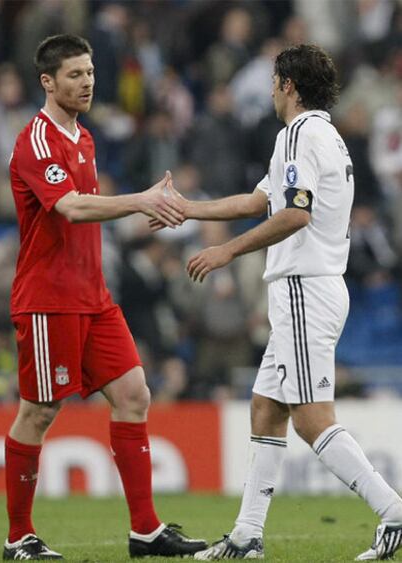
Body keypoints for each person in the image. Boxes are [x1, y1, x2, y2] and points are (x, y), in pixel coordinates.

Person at [160, 44, 402, 561]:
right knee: (266, 408)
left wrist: (226, 249)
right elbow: (260, 200)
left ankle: (394, 511)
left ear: (288, 85)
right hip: (312, 286)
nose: (270, 90)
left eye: (274, 81)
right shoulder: (325, 135)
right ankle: (247, 535)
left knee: (311, 419)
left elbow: (294, 214)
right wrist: (190, 211)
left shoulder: (296, 134)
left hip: (303, 286)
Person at [3, 34, 207, 561]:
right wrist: (141, 199)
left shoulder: (84, 138)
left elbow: (92, 215)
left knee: (135, 393)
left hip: (94, 296)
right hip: (50, 300)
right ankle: (18, 537)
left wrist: (147, 215)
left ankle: (145, 531)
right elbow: (70, 209)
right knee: (40, 411)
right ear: (48, 82)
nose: (88, 81)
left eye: (90, 72)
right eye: (75, 74)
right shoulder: (37, 142)